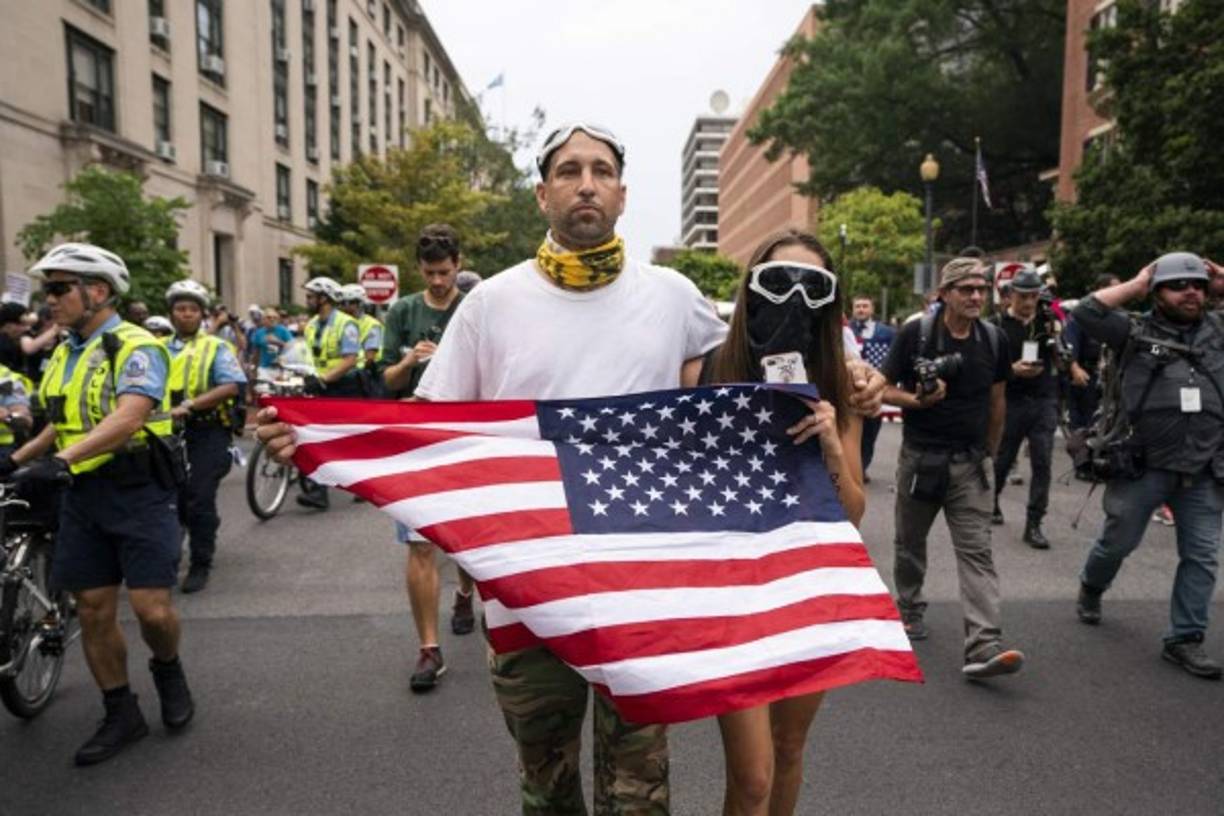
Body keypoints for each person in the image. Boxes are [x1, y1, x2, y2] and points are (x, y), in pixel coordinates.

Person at [258, 122, 886, 813]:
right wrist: (318, 440)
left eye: (600, 171)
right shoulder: (488, 305)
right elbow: (425, 430)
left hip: (644, 597)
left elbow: (762, 354)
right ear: (541, 193)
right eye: (568, 170)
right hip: (529, 600)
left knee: (638, 796)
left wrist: (856, 370)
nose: (585, 183)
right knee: (547, 789)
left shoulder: (674, 296)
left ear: (621, 195)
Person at [689, 229, 865, 816]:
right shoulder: (707, 369)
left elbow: (854, 512)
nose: (793, 296)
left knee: (789, 748)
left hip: (809, 588)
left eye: (812, 284)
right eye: (777, 280)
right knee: (754, 775)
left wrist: (832, 449)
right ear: (750, 288)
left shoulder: (840, 381)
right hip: (734, 593)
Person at [2, 243, 193, 765]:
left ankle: (168, 668)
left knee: (153, 611)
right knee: (92, 610)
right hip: (83, 496)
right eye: (48, 289)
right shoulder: (65, 349)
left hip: (139, 491)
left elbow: (129, 416)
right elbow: (57, 421)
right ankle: (120, 711)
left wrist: (62, 462)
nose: (50, 299)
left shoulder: (136, 346)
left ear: (98, 291)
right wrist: (18, 457)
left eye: (60, 288)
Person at [1072, 253, 1224, 680]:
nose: (1191, 291)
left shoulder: (1219, 329)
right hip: (1144, 464)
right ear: (1157, 293)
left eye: (1198, 284)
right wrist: (1134, 286)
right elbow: (1085, 312)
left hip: (1205, 465)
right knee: (1118, 542)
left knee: (1203, 556)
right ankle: (1092, 585)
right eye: (1179, 285)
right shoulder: (1132, 330)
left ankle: (1184, 638)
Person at [882, 257, 1026, 680]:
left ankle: (984, 643)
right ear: (944, 294)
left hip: (971, 465)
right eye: (966, 289)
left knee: (977, 553)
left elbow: (998, 401)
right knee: (910, 545)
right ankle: (909, 607)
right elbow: (884, 387)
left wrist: (991, 456)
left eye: (981, 288)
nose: (976, 296)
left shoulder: (995, 339)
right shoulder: (916, 334)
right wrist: (916, 401)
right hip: (921, 459)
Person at [379, 224, 476, 692]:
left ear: (458, 265)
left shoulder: (474, 309)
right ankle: (428, 649)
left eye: (445, 272)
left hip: (464, 441)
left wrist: (447, 362)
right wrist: (410, 362)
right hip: (414, 442)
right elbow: (388, 382)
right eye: (430, 273)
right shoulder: (402, 312)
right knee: (419, 544)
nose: (438, 281)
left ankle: (463, 592)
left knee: (462, 542)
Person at [164, 279, 246, 593]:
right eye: (180, 309)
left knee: (199, 496)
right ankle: (170, 553)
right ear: (171, 314)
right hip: (167, 431)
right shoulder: (157, 347)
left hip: (207, 429)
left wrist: (191, 405)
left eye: (192, 309)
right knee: (173, 497)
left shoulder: (216, 347)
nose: (186, 315)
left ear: (202, 315)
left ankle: (201, 562)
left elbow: (231, 385)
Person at [989, 268, 1061, 548]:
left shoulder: (1047, 324)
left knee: (1042, 462)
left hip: (1043, 399)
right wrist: (1012, 370)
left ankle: (1034, 523)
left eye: (1033, 296)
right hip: (1011, 400)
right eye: (1023, 296)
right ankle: (992, 500)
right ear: (1010, 296)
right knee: (1003, 458)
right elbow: (986, 368)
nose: (1029, 302)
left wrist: (1068, 360)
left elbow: (1061, 356)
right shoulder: (996, 325)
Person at [297, 276, 362, 511]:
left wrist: (324, 378)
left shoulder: (346, 324)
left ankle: (361, 482)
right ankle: (317, 489)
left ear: (324, 298)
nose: (308, 300)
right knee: (313, 436)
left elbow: (350, 359)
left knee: (347, 439)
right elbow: (305, 354)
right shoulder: (312, 324)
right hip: (318, 385)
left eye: (311, 296)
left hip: (343, 386)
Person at [1064, 273, 1120, 431]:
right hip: (1086, 377)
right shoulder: (1082, 315)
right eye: (1114, 288)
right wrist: (1075, 369)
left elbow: (1142, 343)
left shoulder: (1121, 316)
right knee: (1085, 427)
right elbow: (1070, 344)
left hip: (1114, 379)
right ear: (1102, 290)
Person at [849, 294, 895, 481]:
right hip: (849, 387)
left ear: (872, 309)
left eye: (865, 306)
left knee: (870, 431)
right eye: (858, 306)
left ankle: (862, 466)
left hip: (873, 387)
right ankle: (849, 468)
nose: (861, 309)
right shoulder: (844, 330)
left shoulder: (886, 332)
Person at [339, 284, 384, 371]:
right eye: (340, 303)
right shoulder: (340, 322)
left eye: (345, 303)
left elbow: (370, 357)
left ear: (358, 304)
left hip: (361, 373)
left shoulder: (371, 324)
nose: (341, 307)